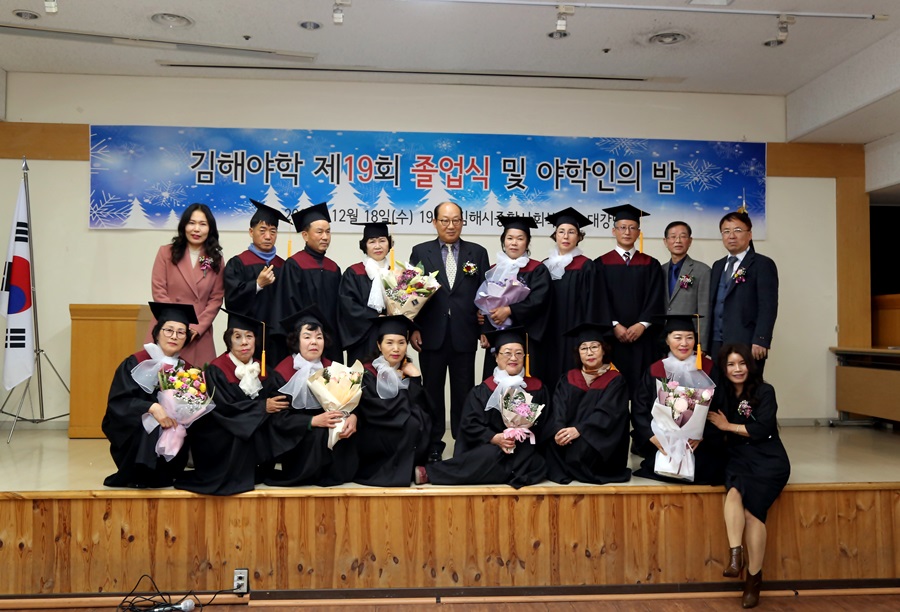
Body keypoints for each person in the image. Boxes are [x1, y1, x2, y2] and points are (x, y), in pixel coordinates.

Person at [707, 344, 790, 609]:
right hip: (738, 457)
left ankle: (753, 580)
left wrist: (728, 426)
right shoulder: (720, 394)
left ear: (750, 366)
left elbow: (763, 428)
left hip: (768, 459)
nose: (737, 369)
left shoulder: (765, 391)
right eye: (731, 364)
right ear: (724, 369)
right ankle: (736, 556)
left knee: (753, 514)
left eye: (742, 363)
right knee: (733, 492)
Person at [409, 201, 490, 462]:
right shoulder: (420, 251)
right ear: (435, 222)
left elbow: (485, 294)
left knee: (464, 393)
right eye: (445, 220)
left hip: (464, 335)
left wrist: (485, 328)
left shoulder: (477, 253)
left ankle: (464, 442)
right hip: (430, 335)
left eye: (456, 220)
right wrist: (413, 329)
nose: (451, 225)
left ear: (463, 222)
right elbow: (411, 295)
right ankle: (433, 445)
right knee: (431, 393)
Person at [175, 310, 288, 495]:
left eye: (249, 336)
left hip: (253, 426)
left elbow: (277, 399)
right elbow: (224, 407)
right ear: (229, 341)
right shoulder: (217, 370)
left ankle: (259, 470)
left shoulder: (263, 369)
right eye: (237, 337)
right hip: (221, 427)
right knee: (238, 431)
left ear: (256, 341)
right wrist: (262, 407)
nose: (244, 342)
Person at [423, 327, 549, 489]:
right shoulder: (483, 391)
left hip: (524, 449)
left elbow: (545, 423)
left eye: (519, 353)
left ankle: (495, 471)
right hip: (490, 447)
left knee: (534, 461)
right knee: (492, 454)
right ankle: (432, 472)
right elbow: (470, 425)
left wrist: (522, 433)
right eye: (507, 353)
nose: (514, 358)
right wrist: (495, 438)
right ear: (496, 357)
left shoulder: (537, 388)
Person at [102, 302, 197, 488]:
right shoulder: (136, 363)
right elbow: (119, 403)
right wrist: (151, 407)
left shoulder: (187, 370)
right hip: (137, 440)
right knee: (149, 421)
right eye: (168, 330)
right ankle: (141, 471)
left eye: (181, 332)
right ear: (157, 332)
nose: (174, 336)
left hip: (174, 435)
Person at [264, 306, 359, 487]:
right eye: (307, 337)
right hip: (297, 435)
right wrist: (312, 421)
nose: (314, 342)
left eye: (319, 337)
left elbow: (349, 404)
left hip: (330, 427)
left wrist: (352, 416)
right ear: (296, 341)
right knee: (318, 435)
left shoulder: (334, 369)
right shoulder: (281, 374)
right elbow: (278, 420)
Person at [632, 315, 726, 485]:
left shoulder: (709, 369)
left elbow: (720, 406)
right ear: (667, 340)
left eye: (689, 337)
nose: (684, 343)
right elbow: (640, 408)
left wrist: (701, 435)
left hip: (698, 444)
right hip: (663, 442)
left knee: (706, 469)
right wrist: (652, 436)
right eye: (677, 337)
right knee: (660, 467)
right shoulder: (656, 370)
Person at [594, 204, 664, 418]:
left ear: (638, 232)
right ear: (613, 231)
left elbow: (656, 297)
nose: (627, 232)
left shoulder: (651, 264)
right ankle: (613, 434)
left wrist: (642, 324)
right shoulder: (600, 264)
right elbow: (598, 299)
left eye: (632, 228)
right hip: (612, 340)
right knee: (612, 391)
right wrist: (614, 325)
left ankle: (644, 434)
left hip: (643, 339)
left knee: (645, 390)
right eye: (622, 227)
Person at [545, 323, 631, 485]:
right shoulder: (569, 378)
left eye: (594, 347)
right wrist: (560, 430)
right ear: (578, 353)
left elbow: (608, 414)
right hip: (569, 434)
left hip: (597, 438)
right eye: (583, 348)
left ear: (604, 350)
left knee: (581, 449)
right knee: (551, 443)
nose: (589, 352)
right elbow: (559, 407)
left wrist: (579, 430)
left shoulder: (615, 380)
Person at [354, 316, 431, 487]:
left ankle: (406, 469)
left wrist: (416, 378)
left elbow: (422, 407)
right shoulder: (368, 372)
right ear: (379, 345)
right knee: (411, 423)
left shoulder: (408, 370)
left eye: (401, 343)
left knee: (417, 422)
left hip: (402, 429)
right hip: (376, 429)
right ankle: (400, 471)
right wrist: (406, 404)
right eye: (389, 343)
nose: (396, 349)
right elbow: (374, 409)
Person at [149, 203, 225, 366]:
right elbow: (159, 290)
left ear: (210, 229)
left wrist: (196, 328)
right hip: (167, 330)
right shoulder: (166, 253)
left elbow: (216, 299)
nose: (196, 229)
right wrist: (175, 326)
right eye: (192, 223)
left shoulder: (215, 259)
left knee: (196, 379)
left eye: (202, 224)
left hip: (196, 334)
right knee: (160, 377)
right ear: (184, 225)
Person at [479, 215, 551, 380]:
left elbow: (539, 302)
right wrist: (484, 331)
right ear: (503, 241)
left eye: (520, 238)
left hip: (526, 338)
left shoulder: (537, 270)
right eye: (510, 238)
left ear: (527, 242)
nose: (514, 243)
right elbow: (484, 303)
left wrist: (510, 310)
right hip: (498, 336)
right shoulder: (493, 270)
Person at [708, 211, 778, 376]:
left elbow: (768, 306)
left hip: (747, 343)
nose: (731, 236)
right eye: (726, 231)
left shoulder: (762, 264)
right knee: (719, 388)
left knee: (747, 389)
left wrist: (761, 339)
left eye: (738, 230)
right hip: (717, 343)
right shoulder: (718, 265)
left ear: (749, 234)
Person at [223, 199, 290, 363]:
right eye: (262, 230)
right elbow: (231, 300)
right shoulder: (238, 263)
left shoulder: (284, 266)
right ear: (251, 232)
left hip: (276, 337)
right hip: (247, 336)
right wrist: (257, 285)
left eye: (273, 231)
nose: (268, 236)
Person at [276, 202, 344, 363]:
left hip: (330, 339)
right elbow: (288, 305)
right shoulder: (294, 265)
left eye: (328, 232)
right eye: (319, 232)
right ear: (305, 235)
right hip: (304, 340)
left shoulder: (333, 268)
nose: (325, 237)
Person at [541, 207, 596, 387]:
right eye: (561, 232)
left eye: (571, 232)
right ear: (555, 235)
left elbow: (591, 304)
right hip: (547, 335)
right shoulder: (544, 266)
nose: (565, 236)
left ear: (579, 237)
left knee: (572, 378)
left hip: (574, 334)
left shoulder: (586, 266)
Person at [338, 221, 394, 365]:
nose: (378, 246)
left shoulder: (396, 274)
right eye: (372, 241)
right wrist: (376, 317)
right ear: (365, 245)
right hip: (362, 340)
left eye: (382, 240)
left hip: (389, 338)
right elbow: (348, 306)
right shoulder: (353, 273)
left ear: (389, 243)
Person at [661, 221, 711, 350]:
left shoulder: (702, 271)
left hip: (688, 340)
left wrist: (701, 345)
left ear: (690, 241)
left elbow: (704, 310)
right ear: (665, 241)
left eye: (683, 236)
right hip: (663, 339)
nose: (678, 241)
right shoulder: (660, 270)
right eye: (673, 236)